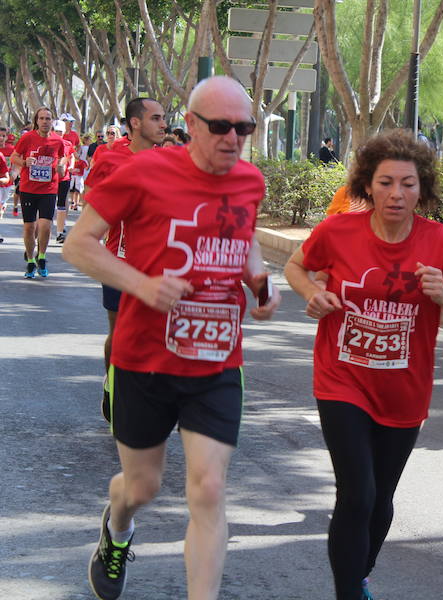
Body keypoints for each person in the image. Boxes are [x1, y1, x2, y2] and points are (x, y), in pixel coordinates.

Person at [64, 76, 280, 600]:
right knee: (142, 487)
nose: (234, 138)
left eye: (244, 128)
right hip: (144, 358)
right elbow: (78, 244)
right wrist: (141, 284)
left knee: (208, 488)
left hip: (217, 360)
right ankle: (117, 530)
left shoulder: (249, 180)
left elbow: (244, 237)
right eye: (222, 127)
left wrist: (260, 282)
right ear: (192, 126)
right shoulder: (143, 172)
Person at [284, 129, 443, 600]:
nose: (397, 193)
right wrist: (314, 293)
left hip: (404, 391)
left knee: (380, 501)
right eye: (386, 182)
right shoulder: (337, 232)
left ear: (423, 188)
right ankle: (350, 592)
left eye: (408, 184)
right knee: (356, 494)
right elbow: (296, 267)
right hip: (342, 379)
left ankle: (360, 571)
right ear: (367, 186)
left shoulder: (441, 244)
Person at [81, 97, 168, 423]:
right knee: (119, 336)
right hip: (118, 260)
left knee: (156, 335)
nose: (163, 125)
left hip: (159, 263)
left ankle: (143, 397)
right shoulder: (110, 158)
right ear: (135, 123)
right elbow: (92, 203)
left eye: (163, 118)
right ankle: (113, 387)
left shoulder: (169, 161)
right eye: (156, 118)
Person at [10, 107, 67, 278]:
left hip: (49, 189)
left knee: (45, 225)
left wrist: (61, 165)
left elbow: (64, 156)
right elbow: (14, 157)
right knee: (29, 227)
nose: (45, 121)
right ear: (36, 120)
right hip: (28, 188)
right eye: (41, 118)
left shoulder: (57, 141)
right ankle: (29, 260)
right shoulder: (28, 138)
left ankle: (41, 257)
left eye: (48, 118)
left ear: (52, 121)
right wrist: (25, 162)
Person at [52, 120, 77, 243]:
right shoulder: (48, 143)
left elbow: (71, 156)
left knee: (61, 204)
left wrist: (71, 166)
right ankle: (42, 228)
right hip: (49, 179)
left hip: (64, 178)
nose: (58, 133)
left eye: (60, 132)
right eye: (56, 131)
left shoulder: (67, 144)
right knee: (49, 204)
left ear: (63, 133)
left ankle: (60, 232)